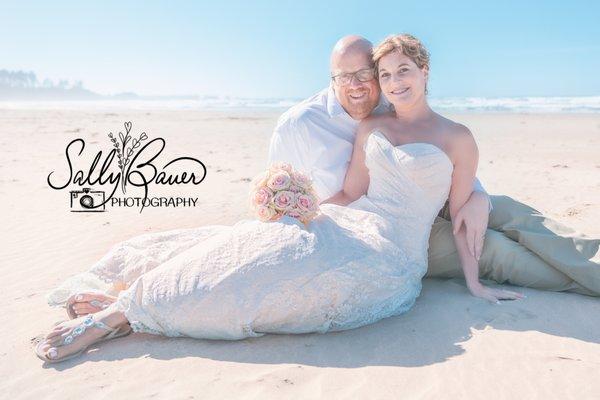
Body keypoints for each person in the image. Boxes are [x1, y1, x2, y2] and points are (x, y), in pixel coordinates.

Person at [35, 33, 513, 364]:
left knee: (273, 286)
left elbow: (460, 206)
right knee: (268, 247)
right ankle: (125, 304)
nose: (389, 83)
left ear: (424, 71)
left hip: (395, 257)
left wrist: (475, 278)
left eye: (396, 72)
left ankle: (126, 313)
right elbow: (350, 192)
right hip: (352, 225)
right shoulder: (371, 124)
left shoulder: (457, 136)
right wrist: (301, 217)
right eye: (384, 75)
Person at [268, 35, 600, 298]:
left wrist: (477, 196)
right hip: (380, 227)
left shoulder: (388, 96)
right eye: (344, 77)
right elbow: (284, 191)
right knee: (495, 250)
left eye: (366, 74)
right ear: (331, 78)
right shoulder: (298, 126)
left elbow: (440, 149)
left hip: (434, 196)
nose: (356, 85)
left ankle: (594, 261)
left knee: (511, 211)